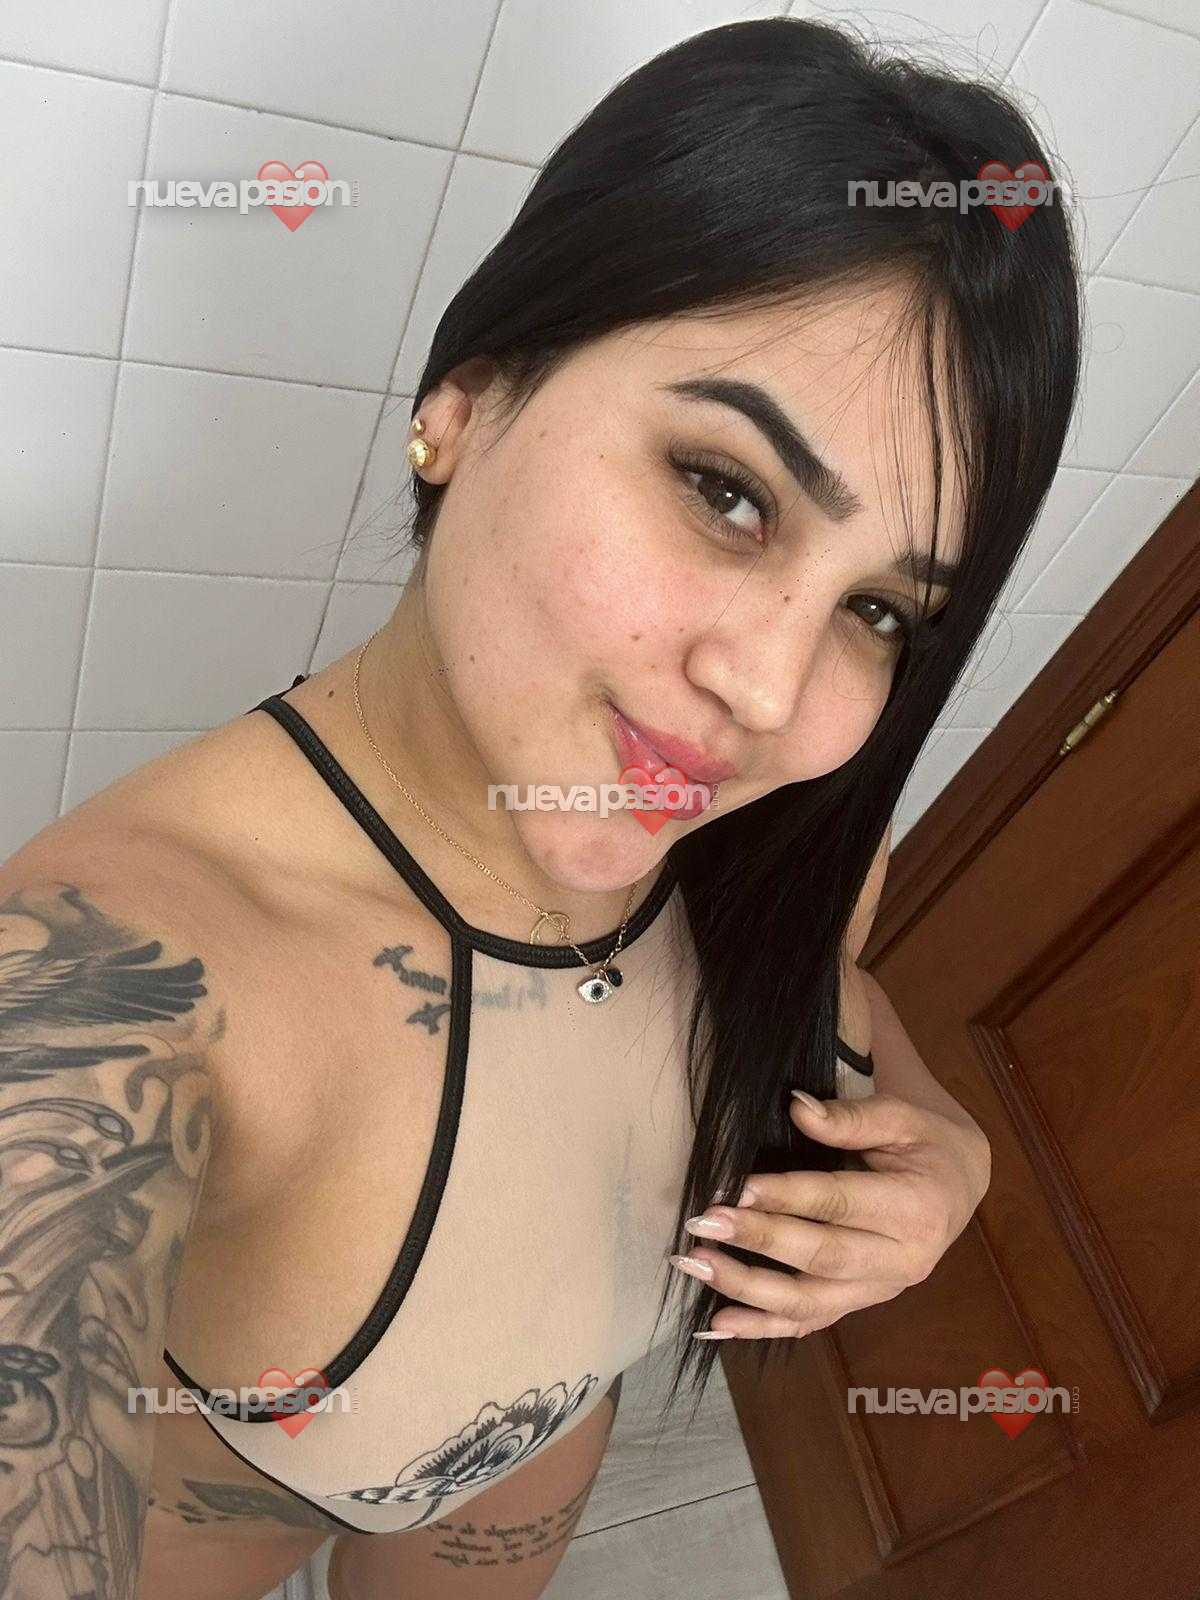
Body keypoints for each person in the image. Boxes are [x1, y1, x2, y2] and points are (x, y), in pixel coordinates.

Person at [0, 14, 1080, 1600]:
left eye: (880, 611)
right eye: (728, 491)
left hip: (526, 1468)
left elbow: (834, 1004)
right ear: (467, 398)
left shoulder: (762, 849)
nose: (771, 691)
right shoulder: (107, 992)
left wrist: (954, 1158)